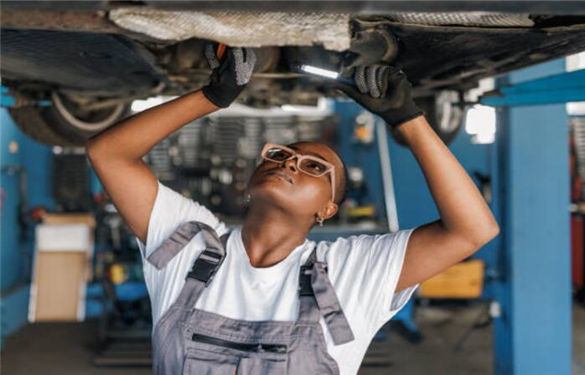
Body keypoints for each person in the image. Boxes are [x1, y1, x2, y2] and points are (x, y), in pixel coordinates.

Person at [86, 46, 499, 375]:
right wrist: (210, 98)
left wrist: (409, 120)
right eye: (280, 155)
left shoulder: (349, 271)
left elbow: (472, 230)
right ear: (249, 182)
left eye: (314, 168)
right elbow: (109, 155)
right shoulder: (189, 245)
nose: (289, 163)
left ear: (328, 208)